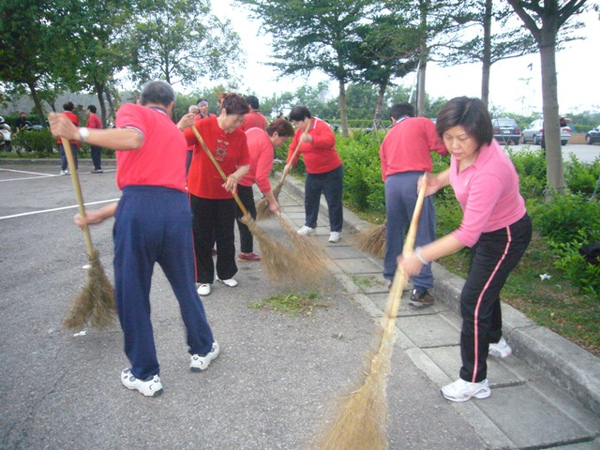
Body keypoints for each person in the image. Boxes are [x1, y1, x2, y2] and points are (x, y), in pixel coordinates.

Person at [48, 81, 219, 398]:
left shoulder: (134, 111)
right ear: (170, 106)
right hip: (177, 210)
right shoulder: (173, 132)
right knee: (186, 285)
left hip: (140, 210)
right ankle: (203, 347)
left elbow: (134, 140)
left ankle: (145, 373)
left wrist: (78, 134)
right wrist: (105, 212)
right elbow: (159, 185)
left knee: (133, 294)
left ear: (143, 101)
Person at [397, 96, 532, 402]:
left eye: (462, 138)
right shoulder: (467, 152)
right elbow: (458, 169)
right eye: (448, 137)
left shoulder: (491, 171)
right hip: (488, 231)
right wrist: (437, 181)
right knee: (485, 287)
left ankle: (474, 380)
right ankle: (495, 340)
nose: (454, 146)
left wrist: (419, 256)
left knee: (473, 300)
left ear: (480, 133)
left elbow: (467, 234)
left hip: (505, 235)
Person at [379, 103, 448, 306]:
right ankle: (420, 288)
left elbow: (384, 168)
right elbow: (442, 147)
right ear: (412, 114)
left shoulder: (388, 136)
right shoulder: (422, 122)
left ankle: (393, 280)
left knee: (394, 231)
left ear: (393, 118)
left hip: (392, 184)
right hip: (417, 181)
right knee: (422, 231)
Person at [184, 93, 250, 297]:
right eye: (235, 119)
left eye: (241, 120)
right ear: (223, 112)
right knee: (201, 236)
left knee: (226, 236)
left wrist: (235, 176)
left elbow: (245, 164)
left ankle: (225, 272)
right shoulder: (202, 126)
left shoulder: (240, 135)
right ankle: (204, 278)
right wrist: (182, 124)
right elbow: (178, 140)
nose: (238, 124)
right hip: (200, 190)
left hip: (226, 194)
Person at [236, 119, 295, 261]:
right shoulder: (268, 148)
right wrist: (272, 201)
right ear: (275, 134)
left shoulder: (254, 131)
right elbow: (261, 178)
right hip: (241, 183)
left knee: (234, 216)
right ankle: (246, 252)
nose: (283, 143)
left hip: (231, 177)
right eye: (283, 139)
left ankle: (242, 250)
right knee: (249, 217)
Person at [285, 106, 344, 243]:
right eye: (295, 123)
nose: (297, 126)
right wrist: (290, 163)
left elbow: (330, 141)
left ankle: (335, 230)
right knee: (310, 200)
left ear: (306, 119)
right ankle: (310, 225)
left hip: (331, 171)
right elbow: (294, 148)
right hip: (312, 172)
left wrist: (311, 139)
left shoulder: (321, 125)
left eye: (297, 123)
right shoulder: (299, 132)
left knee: (333, 201)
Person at [57, 102, 80, 175]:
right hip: (72, 139)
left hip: (62, 138)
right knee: (73, 155)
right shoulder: (74, 117)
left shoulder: (60, 116)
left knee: (63, 154)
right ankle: (74, 169)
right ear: (72, 108)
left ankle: (63, 169)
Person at [86, 105, 104, 173]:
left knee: (94, 153)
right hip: (99, 137)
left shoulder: (92, 117)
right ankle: (98, 167)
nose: (86, 111)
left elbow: (92, 127)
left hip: (95, 138)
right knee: (97, 153)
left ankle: (97, 168)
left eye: (87, 110)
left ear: (89, 110)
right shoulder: (96, 117)